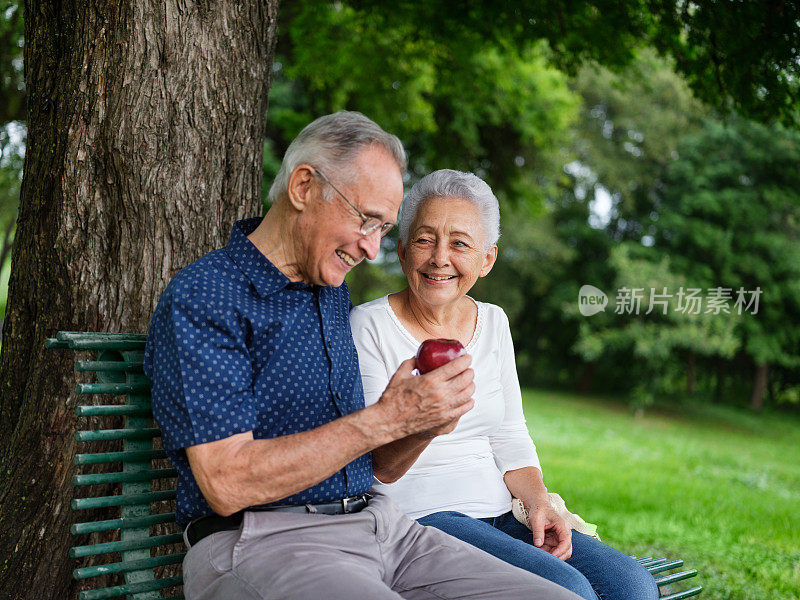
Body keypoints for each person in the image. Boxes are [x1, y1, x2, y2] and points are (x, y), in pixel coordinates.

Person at [144, 112, 582, 600]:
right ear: (304, 187)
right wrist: (381, 420)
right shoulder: (207, 297)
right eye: (366, 220)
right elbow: (225, 483)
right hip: (261, 540)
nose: (374, 249)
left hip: (379, 526)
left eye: (384, 228)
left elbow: (382, 470)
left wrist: (421, 424)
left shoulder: (327, 292)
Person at [350, 169, 661, 600]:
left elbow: (510, 435)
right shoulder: (368, 326)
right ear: (402, 251)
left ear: (486, 260)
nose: (440, 257)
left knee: (634, 587)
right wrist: (425, 421)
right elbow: (377, 467)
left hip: (501, 513)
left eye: (459, 243)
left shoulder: (493, 321)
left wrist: (538, 505)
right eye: (424, 240)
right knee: (568, 590)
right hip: (420, 519)